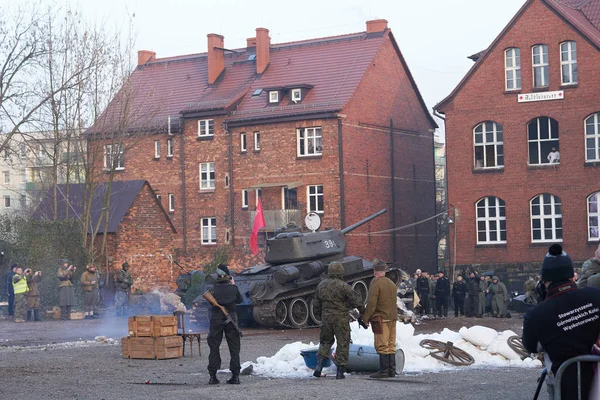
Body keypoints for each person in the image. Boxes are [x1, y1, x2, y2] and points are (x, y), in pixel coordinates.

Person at [523, 244, 600, 399]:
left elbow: (531, 346)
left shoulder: (537, 315)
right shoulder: (595, 296)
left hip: (568, 389)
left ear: (544, 281)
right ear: (572, 276)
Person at [313, 261, 362, 379]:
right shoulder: (344, 286)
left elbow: (316, 305)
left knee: (325, 341)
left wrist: (321, 316)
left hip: (326, 318)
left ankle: (319, 367)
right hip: (341, 318)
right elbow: (357, 301)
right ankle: (340, 372)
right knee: (343, 343)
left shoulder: (321, 285)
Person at [207, 264, 243, 385]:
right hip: (231, 318)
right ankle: (235, 376)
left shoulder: (213, 290)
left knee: (214, 346)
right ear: (228, 276)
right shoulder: (234, 288)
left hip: (216, 319)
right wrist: (233, 285)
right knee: (234, 348)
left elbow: (209, 303)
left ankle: (213, 376)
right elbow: (240, 300)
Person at [362, 259, 398, 379]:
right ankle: (392, 370)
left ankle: (384, 371)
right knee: (391, 344)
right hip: (392, 318)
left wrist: (365, 318)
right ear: (384, 271)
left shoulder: (376, 283)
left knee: (382, 344)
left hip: (381, 318)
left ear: (374, 271)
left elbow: (372, 304)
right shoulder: (391, 283)